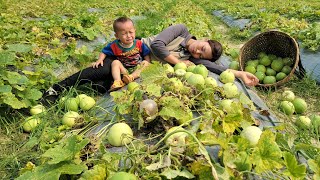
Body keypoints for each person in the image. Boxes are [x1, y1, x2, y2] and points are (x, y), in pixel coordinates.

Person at [41, 22, 258, 105]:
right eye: (202, 47)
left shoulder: (193, 59)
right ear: (203, 39)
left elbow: (214, 69)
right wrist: (175, 61)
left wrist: (239, 74)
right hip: (128, 54)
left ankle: (82, 90)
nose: (197, 51)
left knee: (104, 87)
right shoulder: (181, 31)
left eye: (202, 54)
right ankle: (55, 90)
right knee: (101, 68)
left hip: (136, 67)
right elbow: (156, 45)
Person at [92, 17, 150, 91]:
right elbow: (104, 52)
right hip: (124, 70)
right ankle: (118, 81)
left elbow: (146, 54)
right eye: (124, 34)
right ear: (117, 36)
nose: (128, 36)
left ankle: (131, 77)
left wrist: (147, 63)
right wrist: (100, 60)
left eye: (131, 32)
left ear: (134, 31)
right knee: (115, 62)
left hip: (137, 68)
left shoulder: (138, 43)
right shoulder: (114, 46)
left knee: (145, 63)